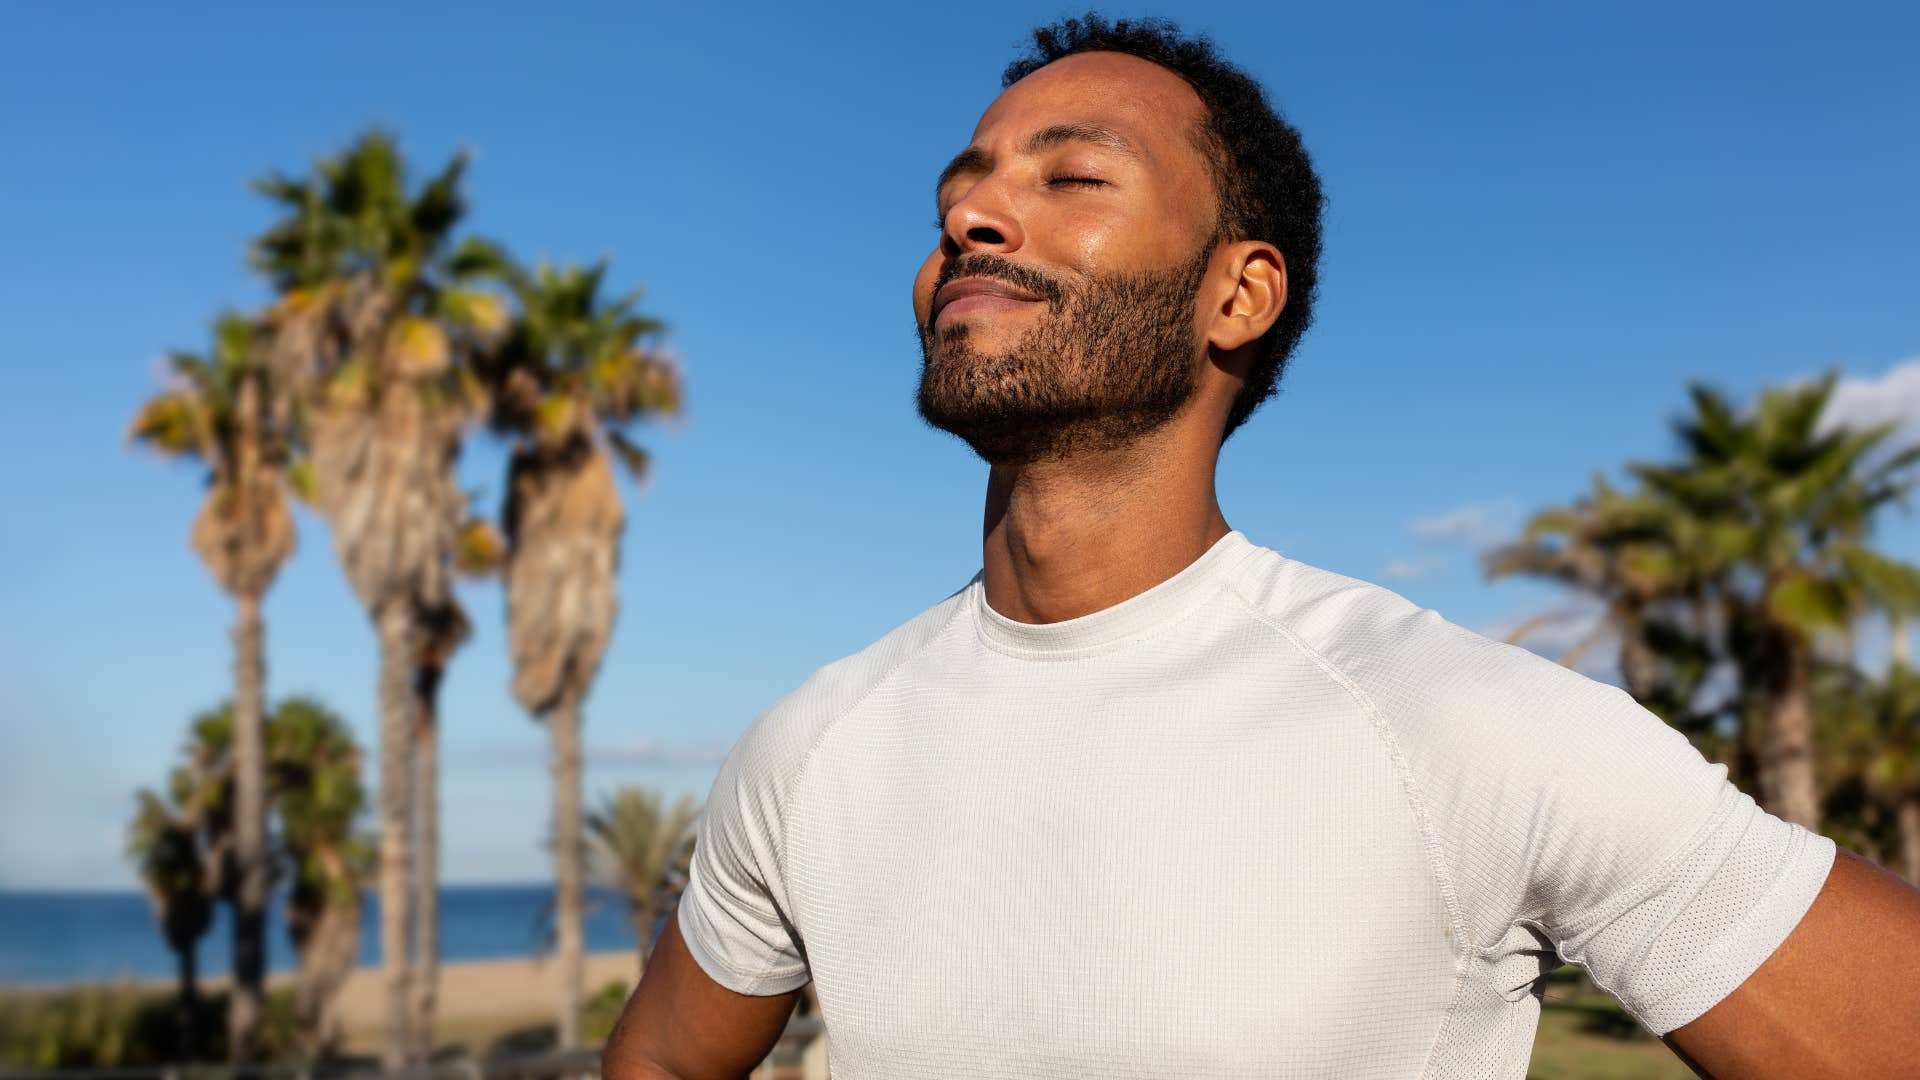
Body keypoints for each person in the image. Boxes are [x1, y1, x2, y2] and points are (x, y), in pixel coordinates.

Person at [605, 14, 1920, 1079]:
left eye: (1071, 178)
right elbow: (659, 1059)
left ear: (1238, 295)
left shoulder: (1461, 727)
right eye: (962, 191)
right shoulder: (814, 747)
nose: (971, 219)